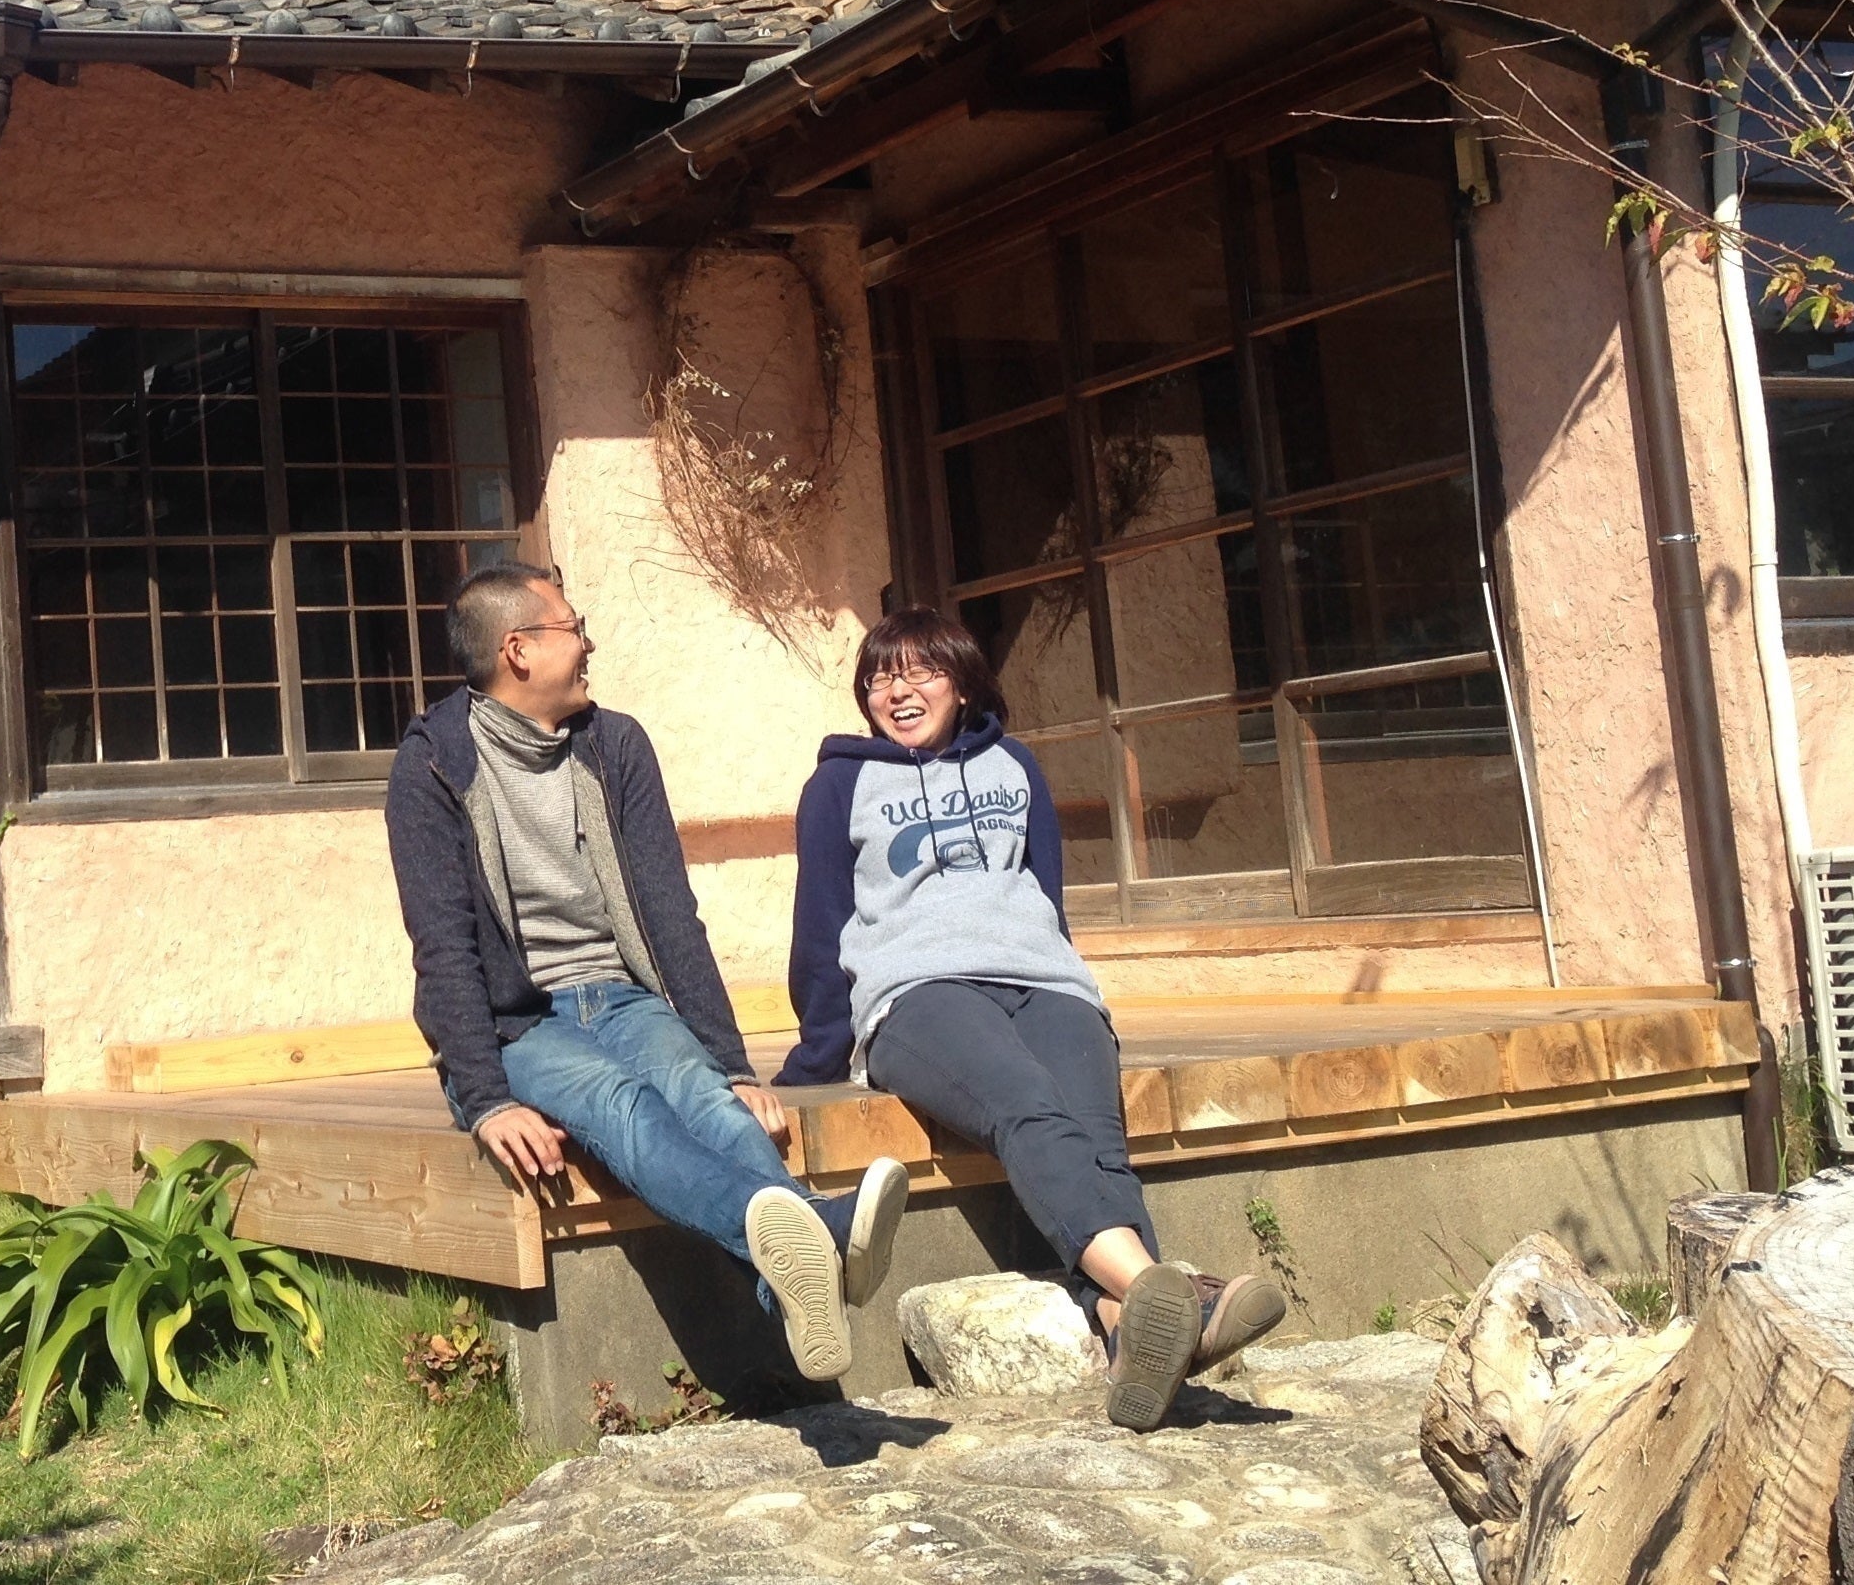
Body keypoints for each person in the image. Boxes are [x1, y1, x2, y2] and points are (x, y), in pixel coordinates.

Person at [387, 561, 909, 1382]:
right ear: (518, 649)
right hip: (513, 1021)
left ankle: (795, 1266)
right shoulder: (432, 765)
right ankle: (815, 1230)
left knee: (701, 1095)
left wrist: (730, 1063)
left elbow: (670, 914)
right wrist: (484, 1097)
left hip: (620, 995)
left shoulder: (614, 744)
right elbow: (442, 943)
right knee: (621, 1103)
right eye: (573, 627)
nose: (587, 643)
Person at [780, 605, 1287, 1431]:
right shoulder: (839, 784)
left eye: (919, 671)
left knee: (1097, 1139)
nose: (896, 691)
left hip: (1045, 981)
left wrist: (1064, 978)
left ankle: (1127, 1326)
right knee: (1025, 1103)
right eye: (878, 678)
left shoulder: (1013, 764)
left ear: (961, 682)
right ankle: (1170, 1291)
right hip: (919, 990)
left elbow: (1044, 895)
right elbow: (820, 923)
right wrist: (816, 1058)